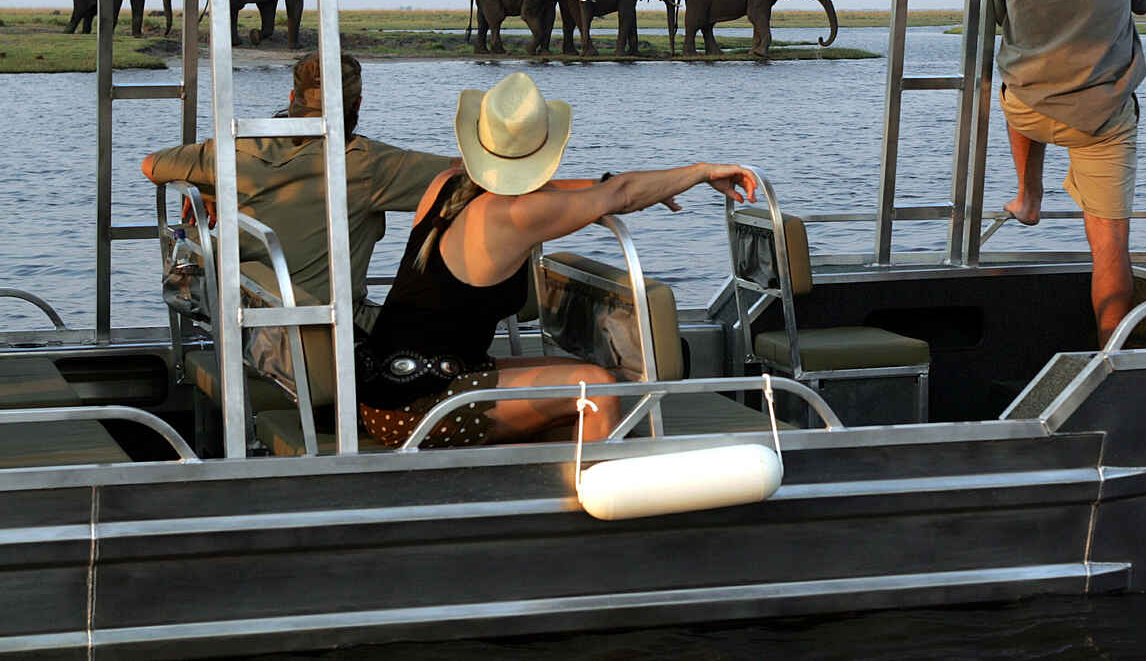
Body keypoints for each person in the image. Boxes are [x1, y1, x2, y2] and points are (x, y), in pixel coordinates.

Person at [355, 71, 758, 448]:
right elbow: (619, 195)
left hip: (390, 388)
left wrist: (650, 186)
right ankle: (586, 507)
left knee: (602, 382)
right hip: (418, 408)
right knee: (597, 392)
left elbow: (582, 190)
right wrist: (703, 172)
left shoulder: (447, 185)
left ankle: (543, 481)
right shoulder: (512, 215)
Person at [142, 53, 453, 333]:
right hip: (330, 332)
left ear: (292, 97)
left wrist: (206, 185)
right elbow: (472, 176)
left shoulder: (239, 150)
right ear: (357, 105)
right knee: (449, 327)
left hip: (250, 334)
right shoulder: (366, 163)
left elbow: (152, 164)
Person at [991, 0, 1146, 346]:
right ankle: (1113, 357)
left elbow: (997, 13)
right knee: (1109, 250)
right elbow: (1145, 3)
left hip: (1027, 109)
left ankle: (1029, 194)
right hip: (1103, 115)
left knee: (1016, 83)